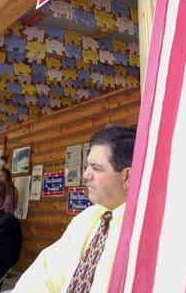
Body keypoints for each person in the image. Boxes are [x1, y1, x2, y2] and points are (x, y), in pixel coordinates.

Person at [12, 125, 136, 293]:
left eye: (96, 168)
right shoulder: (86, 218)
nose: (86, 175)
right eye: (87, 166)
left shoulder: (143, 230)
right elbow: (43, 276)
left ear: (127, 176)